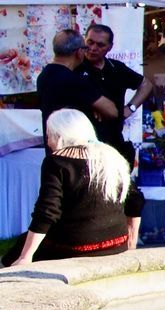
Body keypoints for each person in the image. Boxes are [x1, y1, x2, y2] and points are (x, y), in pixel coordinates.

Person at [4, 110, 142, 267]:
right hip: (117, 243)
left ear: (59, 136)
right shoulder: (111, 156)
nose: (48, 142)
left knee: (16, 252)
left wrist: (26, 257)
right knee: (23, 243)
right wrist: (131, 242)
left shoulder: (56, 161)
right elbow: (136, 200)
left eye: (49, 135)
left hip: (76, 246)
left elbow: (47, 211)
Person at [78, 23, 156, 165]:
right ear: (84, 40)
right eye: (90, 42)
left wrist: (130, 108)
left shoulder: (116, 68)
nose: (93, 48)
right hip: (84, 144)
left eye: (100, 45)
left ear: (110, 47)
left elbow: (146, 85)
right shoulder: (75, 68)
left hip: (114, 142)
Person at [36, 29, 116, 138]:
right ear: (79, 52)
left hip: (53, 142)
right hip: (74, 145)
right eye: (85, 48)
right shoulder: (74, 81)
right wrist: (96, 107)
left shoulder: (43, 76)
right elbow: (112, 111)